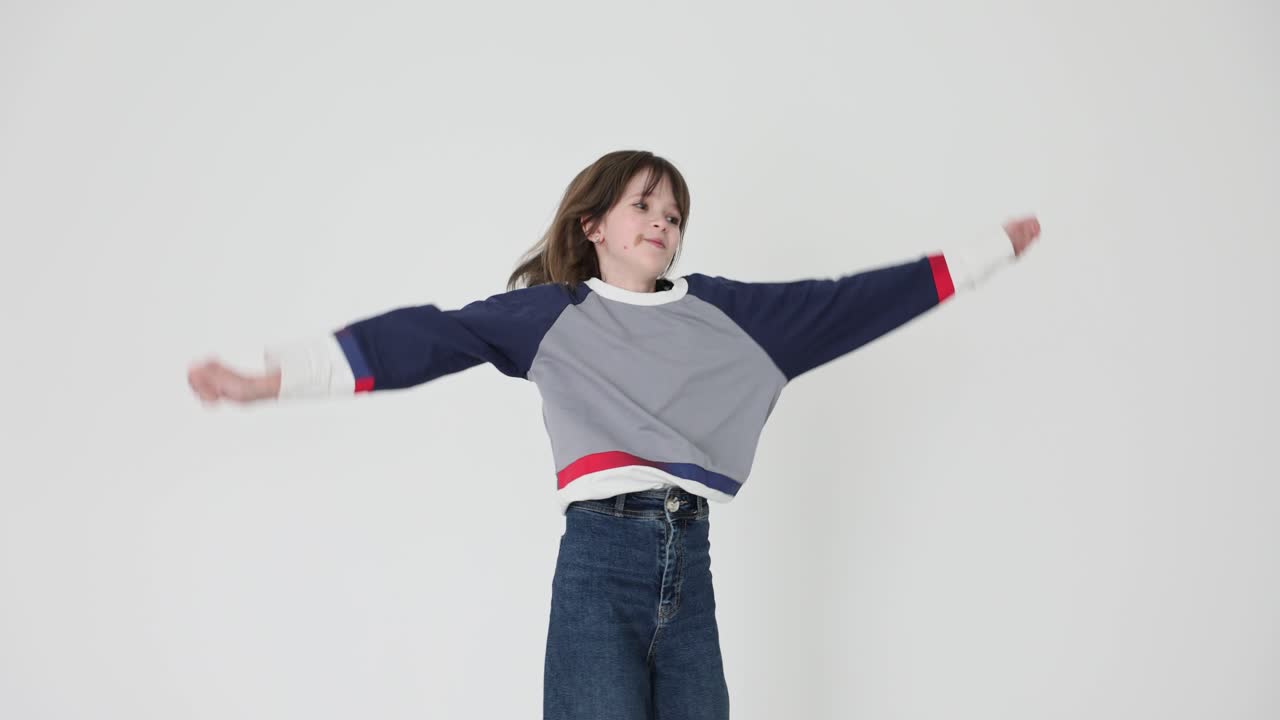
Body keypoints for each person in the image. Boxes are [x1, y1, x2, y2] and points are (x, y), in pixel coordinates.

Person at [188, 149, 1042, 719]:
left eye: (674, 212)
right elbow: (426, 335)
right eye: (642, 205)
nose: (662, 221)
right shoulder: (553, 316)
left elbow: (847, 302)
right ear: (593, 226)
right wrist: (273, 378)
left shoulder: (727, 316)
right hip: (600, 567)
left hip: (690, 568)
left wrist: (983, 254)